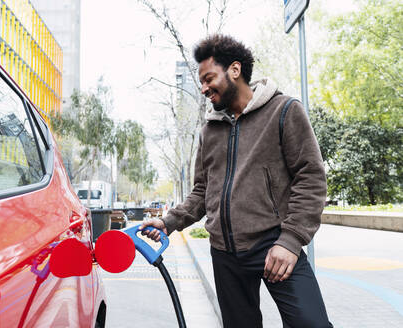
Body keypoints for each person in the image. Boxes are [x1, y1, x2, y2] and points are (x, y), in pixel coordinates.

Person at [140, 34, 332, 328]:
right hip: (225, 253)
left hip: (274, 243)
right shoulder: (209, 130)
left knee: (312, 324)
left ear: (234, 70)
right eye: (201, 82)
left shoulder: (283, 111)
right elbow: (203, 191)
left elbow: (311, 177)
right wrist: (169, 222)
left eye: (208, 78)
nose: (204, 88)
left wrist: (291, 240)